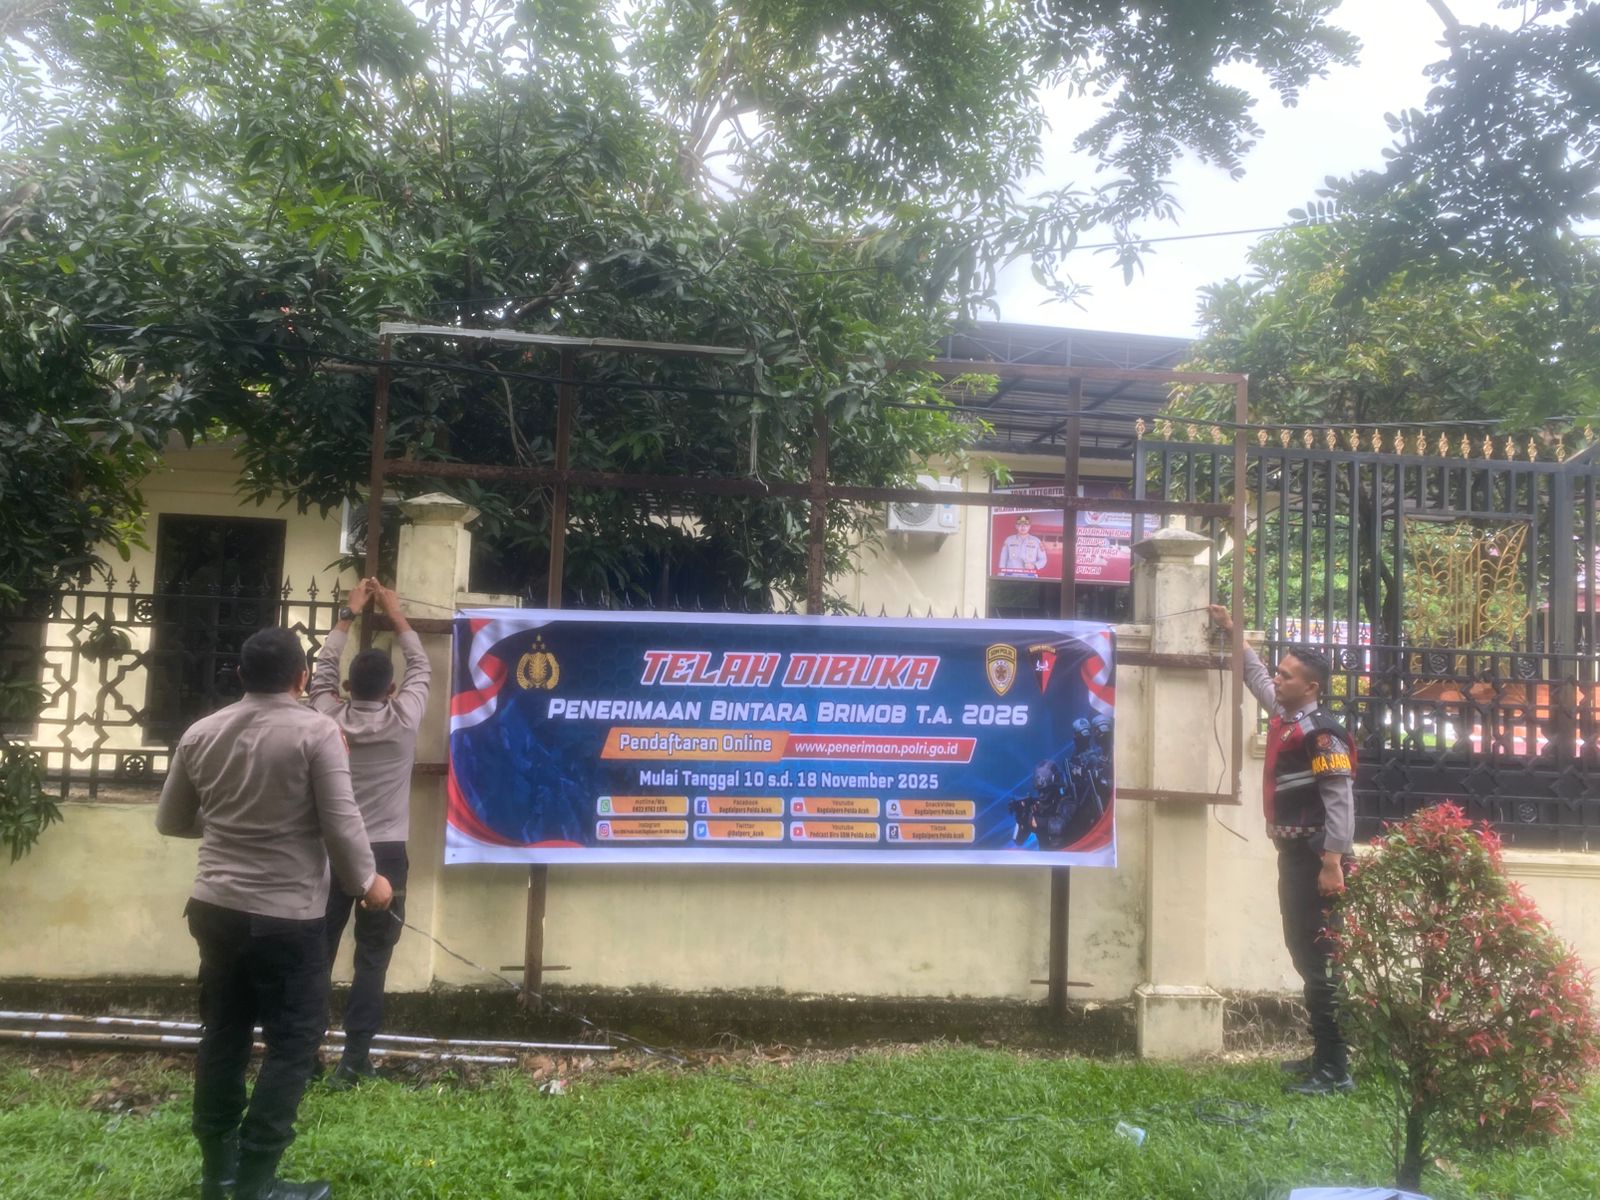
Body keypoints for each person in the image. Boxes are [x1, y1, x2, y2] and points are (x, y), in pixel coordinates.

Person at [158, 625, 392, 1200]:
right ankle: (257, 1182)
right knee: (293, 1042)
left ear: (241, 675)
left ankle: (219, 1173)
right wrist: (369, 884)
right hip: (287, 917)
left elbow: (171, 820)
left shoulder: (201, 733)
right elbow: (342, 823)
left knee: (224, 1033)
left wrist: (231, 822)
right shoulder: (317, 732)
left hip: (213, 907)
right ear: (302, 678)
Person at [1209, 604, 1357, 1097]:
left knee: (1319, 958)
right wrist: (1232, 630)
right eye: (1280, 671)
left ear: (1311, 687)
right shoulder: (1286, 715)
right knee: (1303, 951)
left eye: (1287, 675)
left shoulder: (1321, 733)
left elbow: (1339, 800)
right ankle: (1323, 1055)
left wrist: (1332, 862)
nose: (1277, 678)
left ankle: (1335, 1069)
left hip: (1318, 860)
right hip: (1295, 857)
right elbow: (1254, 674)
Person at [309, 578, 431, 1089]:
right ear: (391, 691)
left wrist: (349, 614)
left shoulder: (326, 718)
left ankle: (305, 1053)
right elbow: (421, 665)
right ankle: (355, 1059)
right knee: (372, 961)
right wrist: (396, 614)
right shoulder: (404, 718)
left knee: (316, 954)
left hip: (330, 852)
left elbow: (320, 674)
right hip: (385, 855)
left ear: (346, 688)